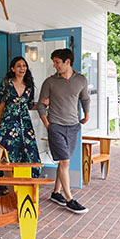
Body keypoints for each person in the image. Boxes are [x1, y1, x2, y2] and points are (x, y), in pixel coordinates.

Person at [37, 48, 90, 214]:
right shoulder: (50, 82)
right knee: (65, 162)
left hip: (73, 126)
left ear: (67, 62)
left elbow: (85, 98)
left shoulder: (80, 80)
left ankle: (55, 193)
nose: (55, 65)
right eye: (54, 62)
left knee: (63, 162)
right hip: (56, 127)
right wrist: (48, 125)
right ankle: (69, 200)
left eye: (57, 62)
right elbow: (41, 104)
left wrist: (87, 115)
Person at [0, 56, 41, 177]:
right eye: (19, 66)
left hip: (25, 122)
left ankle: (27, 177)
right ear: (13, 69)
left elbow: (30, 105)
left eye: (24, 65)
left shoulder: (29, 85)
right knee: (9, 150)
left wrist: (43, 105)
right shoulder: (6, 83)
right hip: (9, 121)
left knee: (28, 148)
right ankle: (6, 184)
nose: (22, 68)